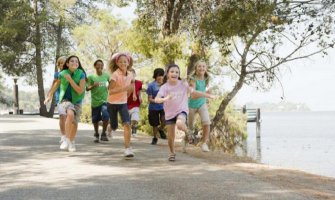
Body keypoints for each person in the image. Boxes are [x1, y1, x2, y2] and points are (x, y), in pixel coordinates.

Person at [155, 64, 215, 161]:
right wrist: (165, 98)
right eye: (172, 71)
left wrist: (208, 95)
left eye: (177, 72)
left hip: (181, 110)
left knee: (179, 123)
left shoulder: (183, 84)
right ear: (168, 74)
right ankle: (172, 153)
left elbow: (193, 92)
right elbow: (157, 99)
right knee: (171, 137)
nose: (174, 73)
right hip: (169, 113)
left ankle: (188, 133)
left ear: (179, 74)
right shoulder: (164, 87)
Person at [44, 55, 86, 152]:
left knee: (75, 123)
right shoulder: (62, 73)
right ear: (67, 64)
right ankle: (66, 139)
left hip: (77, 100)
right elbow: (56, 85)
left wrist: (70, 80)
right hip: (65, 99)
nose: (74, 63)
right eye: (72, 61)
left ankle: (71, 141)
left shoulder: (81, 74)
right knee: (69, 114)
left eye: (77, 61)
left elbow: (80, 91)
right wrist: (49, 96)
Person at [107, 53, 135, 158]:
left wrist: (129, 94)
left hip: (123, 103)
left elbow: (131, 86)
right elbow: (111, 91)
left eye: (125, 61)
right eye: (120, 61)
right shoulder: (115, 75)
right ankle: (110, 128)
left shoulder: (130, 74)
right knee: (115, 126)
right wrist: (124, 89)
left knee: (127, 124)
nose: (123, 63)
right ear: (117, 63)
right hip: (111, 103)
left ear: (128, 63)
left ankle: (128, 149)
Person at [188, 60, 215, 152]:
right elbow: (193, 95)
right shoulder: (192, 79)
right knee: (190, 127)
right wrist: (207, 94)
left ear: (206, 69)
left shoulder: (207, 79)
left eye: (203, 66)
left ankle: (204, 144)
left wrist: (209, 92)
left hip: (202, 104)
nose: (201, 68)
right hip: (191, 105)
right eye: (199, 66)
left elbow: (207, 91)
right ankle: (185, 140)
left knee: (207, 122)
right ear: (196, 69)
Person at [86, 59, 110, 143]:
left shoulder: (107, 76)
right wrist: (93, 85)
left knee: (106, 115)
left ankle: (104, 133)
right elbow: (87, 88)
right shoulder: (91, 77)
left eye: (101, 65)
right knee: (95, 119)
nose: (100, 66)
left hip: (105, 100)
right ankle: (96, 134)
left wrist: (109, 87)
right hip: (95, 101)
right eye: (98, 65)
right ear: (95, 66)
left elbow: (111, 85)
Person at [47, 56, 67, 144]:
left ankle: (68, 134)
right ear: (58, 65)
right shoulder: (57, 74)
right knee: (62, 116)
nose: (63, 64)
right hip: (60, 98)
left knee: (69, 117)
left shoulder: (72, 74)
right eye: (61, 63)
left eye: (65, 62)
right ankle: (63, 135)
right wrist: (49, 95)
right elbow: (53, 85)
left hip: (71, 98)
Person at [147, 68, 166, 145]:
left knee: (164, 120)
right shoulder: (151, 85)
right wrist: (157, 100)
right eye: (158, 75)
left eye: (162, 75)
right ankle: (155, 138)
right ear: (155, 76)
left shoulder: (166, 85)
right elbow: (149, 99)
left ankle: (161, 129)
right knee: (154, 124)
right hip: (153, 108)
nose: (160, 77)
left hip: (163, 107)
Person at [127, 69, 142, 137]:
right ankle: (129, 129)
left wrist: (140, 97)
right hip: (126, 104)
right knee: (127, 120)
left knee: (135, 118)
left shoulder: (139, 83)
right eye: (129, 74)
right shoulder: (125, 83)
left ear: (135, 75)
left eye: (133, 74)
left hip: (135, 104)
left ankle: (134, 129)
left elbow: (139, 92)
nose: (131, 76)